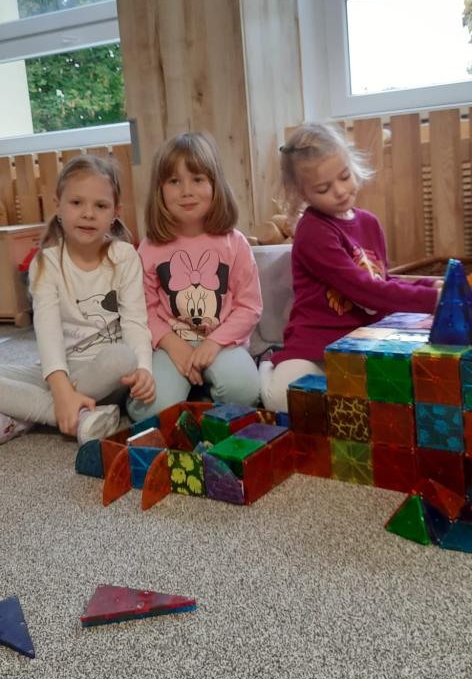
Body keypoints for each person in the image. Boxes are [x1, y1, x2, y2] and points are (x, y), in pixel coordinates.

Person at [260, 122, 441, 413]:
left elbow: (381, 282)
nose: (341, 191)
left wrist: (428, 285)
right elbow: (365, 290)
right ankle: (268, 363)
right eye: (324, 188)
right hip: (317, 343)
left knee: (389, 398)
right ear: (303, 194)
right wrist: (430, 299)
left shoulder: (369, 223)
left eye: (345, 176)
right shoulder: (313, 231)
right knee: (286, 401)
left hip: (365, 340)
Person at [0, 155, 155, 446]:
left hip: (106, 374)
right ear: (58, 205)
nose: (88, 214)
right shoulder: (45, 263)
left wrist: (144, 369)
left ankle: (37, 410)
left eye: (100, 206)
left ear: (115, 212)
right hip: (61, 371)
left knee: (122, 357)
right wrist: (60, 390)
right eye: (76, 203)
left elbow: (135, 321)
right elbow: (48, 334)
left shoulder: (124, 256)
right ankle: (75, 414)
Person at [128, 131, 262, 420]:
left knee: (244, 392)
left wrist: (213, 344)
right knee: (150, 411)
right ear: (160, 190)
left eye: (197, 179)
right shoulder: (149, 248)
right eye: (174, 181)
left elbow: (249, 307)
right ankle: (194, 389)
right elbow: (143, 309)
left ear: (215, 184)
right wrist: (172, 344)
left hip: (223, 342)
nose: (186, 191)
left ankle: (203, 390)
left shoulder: (235, 243)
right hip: (170, 344)